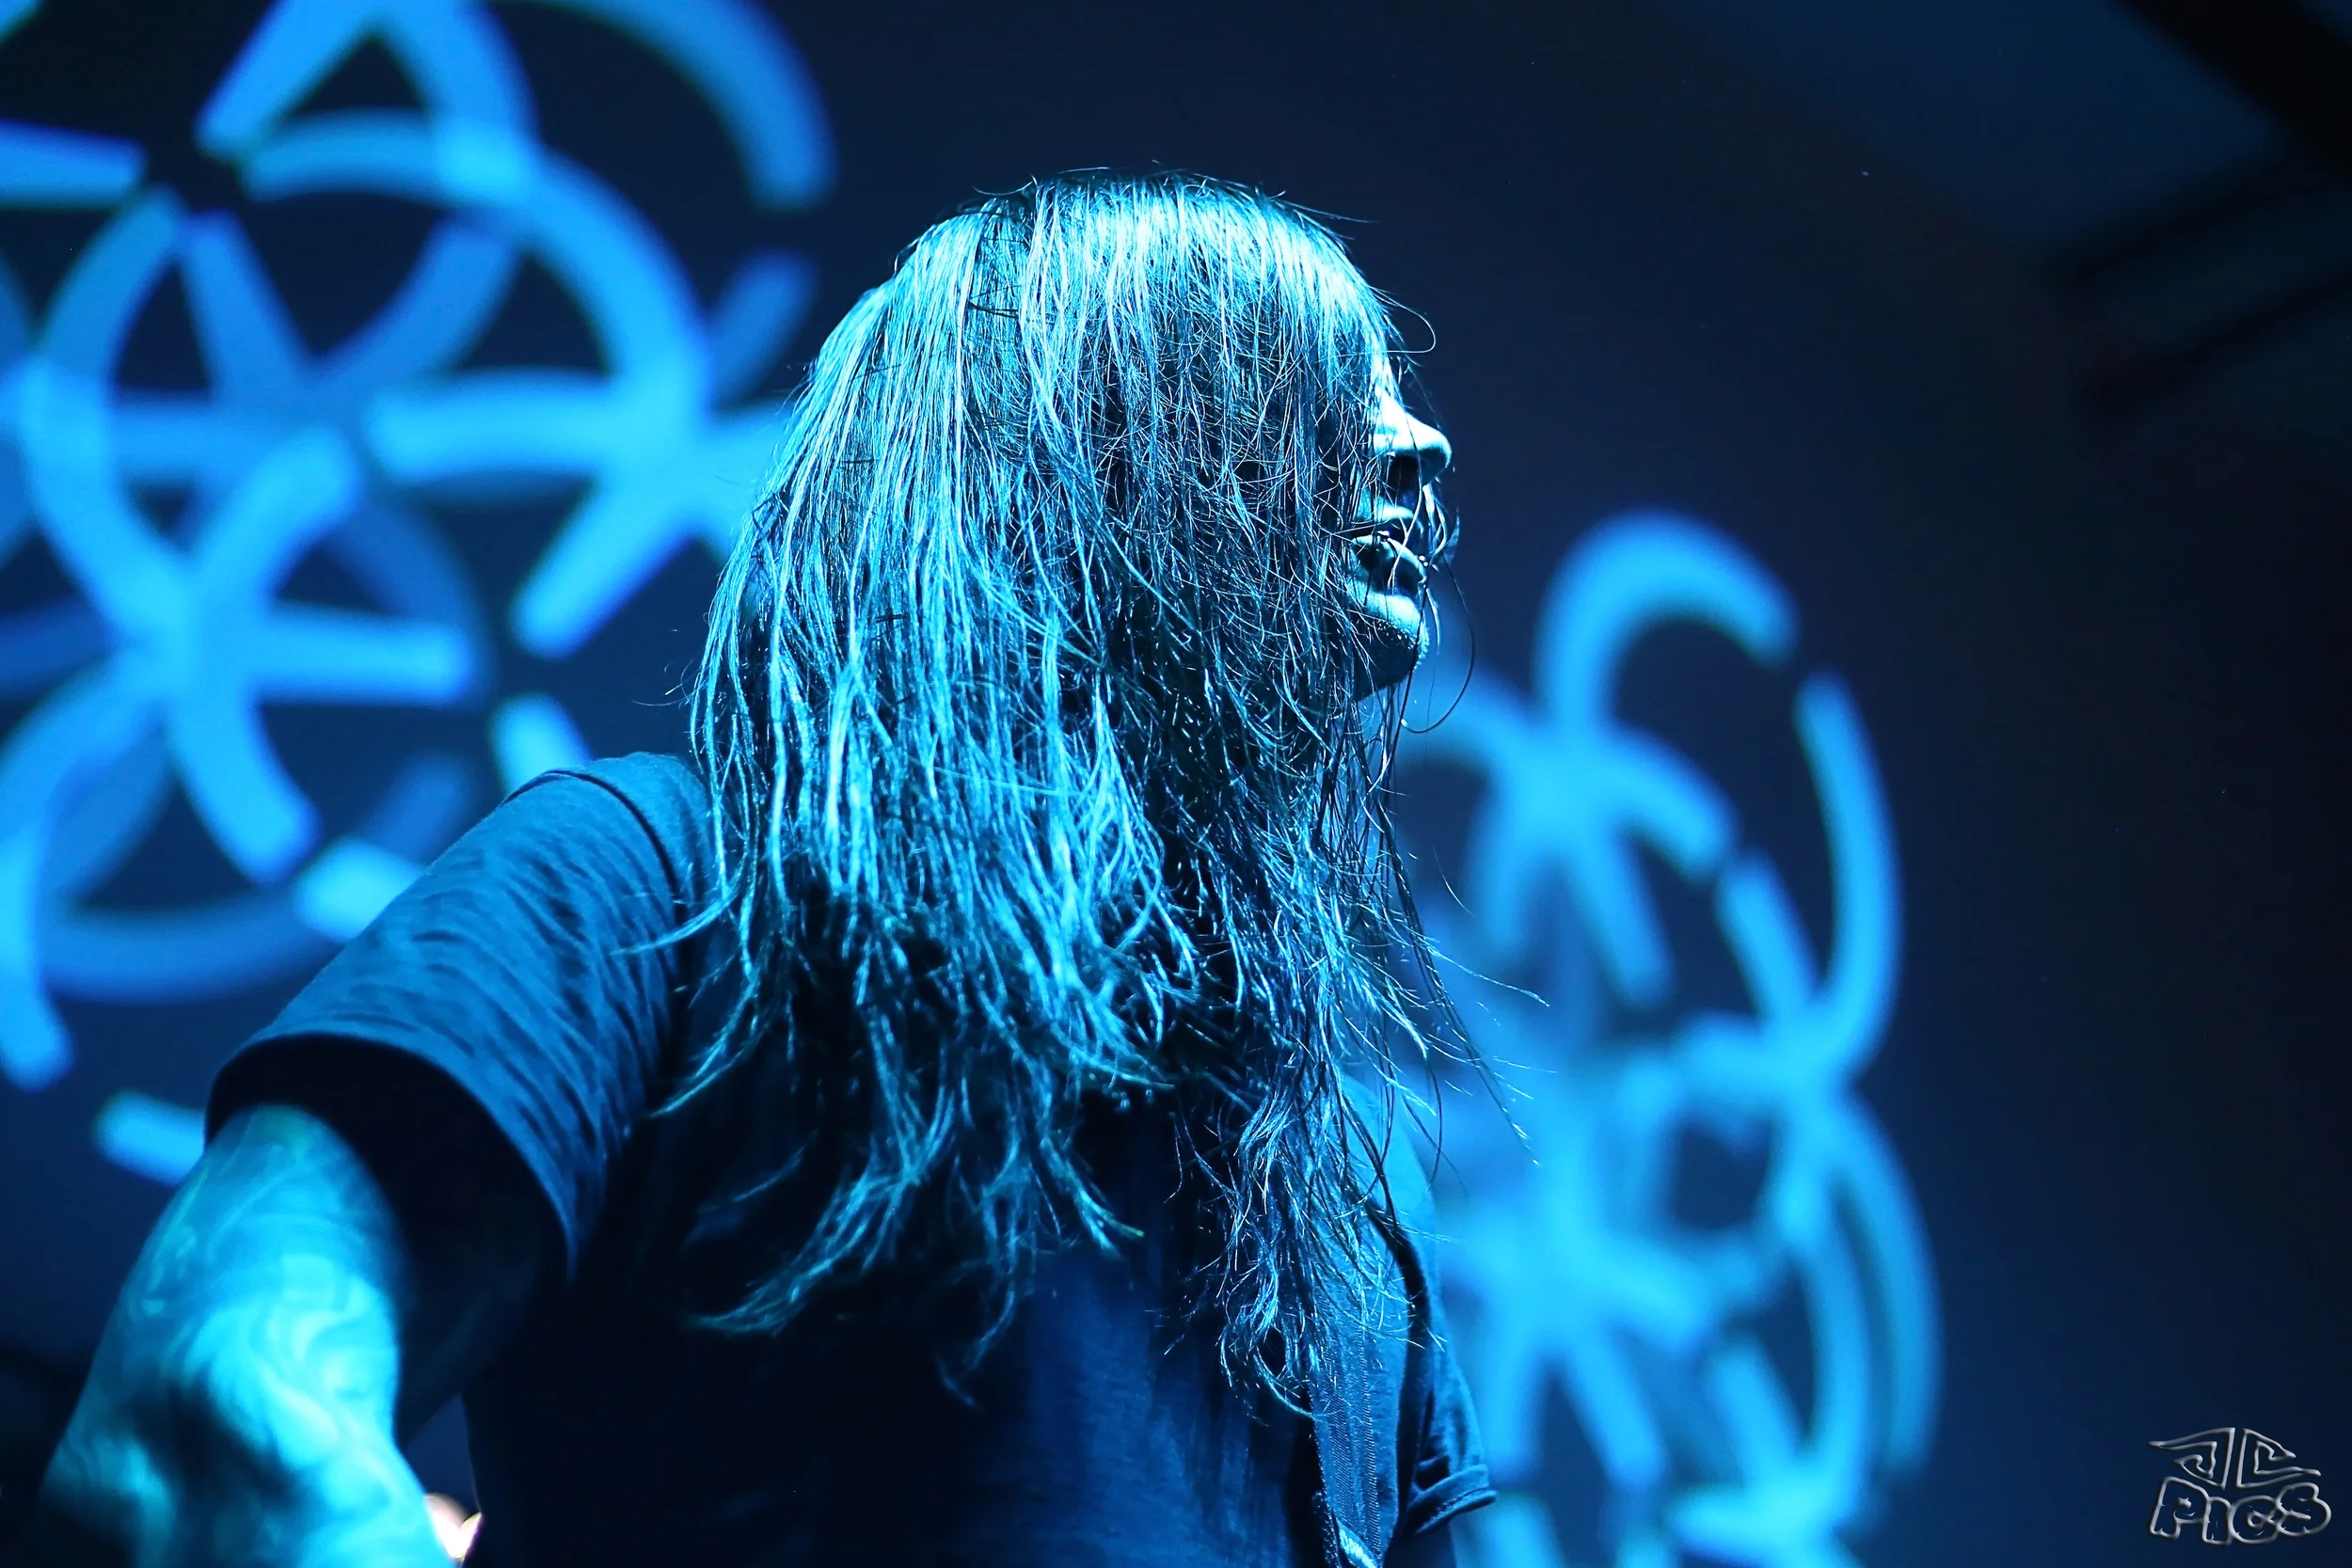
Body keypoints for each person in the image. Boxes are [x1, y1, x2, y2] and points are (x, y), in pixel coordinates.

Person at [23, 171, 1493, 1568]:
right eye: (1304, 377)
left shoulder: (1344, 1205)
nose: (1416, 443)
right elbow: (211, 1433)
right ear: (1087, 453)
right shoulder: (646, 887)